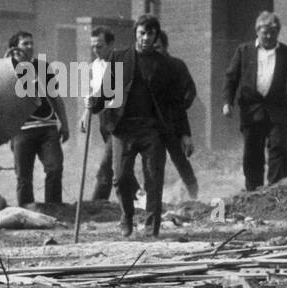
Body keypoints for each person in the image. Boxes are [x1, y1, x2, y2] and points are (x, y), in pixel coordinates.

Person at [90, 14, 189, 238]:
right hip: (122, 128)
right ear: (136, 33)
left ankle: (151, 226)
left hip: (152, 130)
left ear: (156, 36)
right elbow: (106, 92)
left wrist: (185, 134)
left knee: (153, 178)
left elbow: (176, 103)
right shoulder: (119, 58)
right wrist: (93, 104)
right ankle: (127, 216)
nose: (145, 38)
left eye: (150, 34)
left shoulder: (166, 65)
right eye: (141, 33)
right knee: (120, 177)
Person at [222, 11, 287, 191]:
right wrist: (227, 101)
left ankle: (276, 190)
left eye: (273, 31)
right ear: (257, 31)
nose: (269, 36)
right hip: (251, 111)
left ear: (278, 32)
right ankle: (253, 191)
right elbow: (231, 77)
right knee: (252, 153)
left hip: (277, 111)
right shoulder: (244, 51)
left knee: (278, 148)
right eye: (265, 32)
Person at [7, 31, 68, 207]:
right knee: (23, 176)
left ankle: (54, 210)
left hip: (47, 127)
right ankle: (27, 212)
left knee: (55, 168)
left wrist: (64, 124)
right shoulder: (6, 70)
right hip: (21, 130)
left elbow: (56, 97)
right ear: (14, 48)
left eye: (31, 43)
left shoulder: (43, 67)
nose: (30, 47)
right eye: (25, 43)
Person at [155, 29, 199, 201]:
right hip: (152, 125)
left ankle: (194, 195)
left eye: (158, 47)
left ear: (165, 47)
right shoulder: (144, 66)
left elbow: (190, 91)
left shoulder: (176, 66)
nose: (154, 51)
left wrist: (177, 108)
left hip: (173, 123)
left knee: (180, 159)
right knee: (154, 162)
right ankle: (154, 199)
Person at [79, 27, 116, 201]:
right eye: (93, 47)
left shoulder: (121, 63)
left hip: (121, 121)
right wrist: (86, 114)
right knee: (117, 165)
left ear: (110, 44)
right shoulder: (95, 66)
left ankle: (96, 204)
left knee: (106, 166)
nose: (95, 50)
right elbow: (93, 94)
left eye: (99, 46)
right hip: (105, 121)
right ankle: (139, 198)